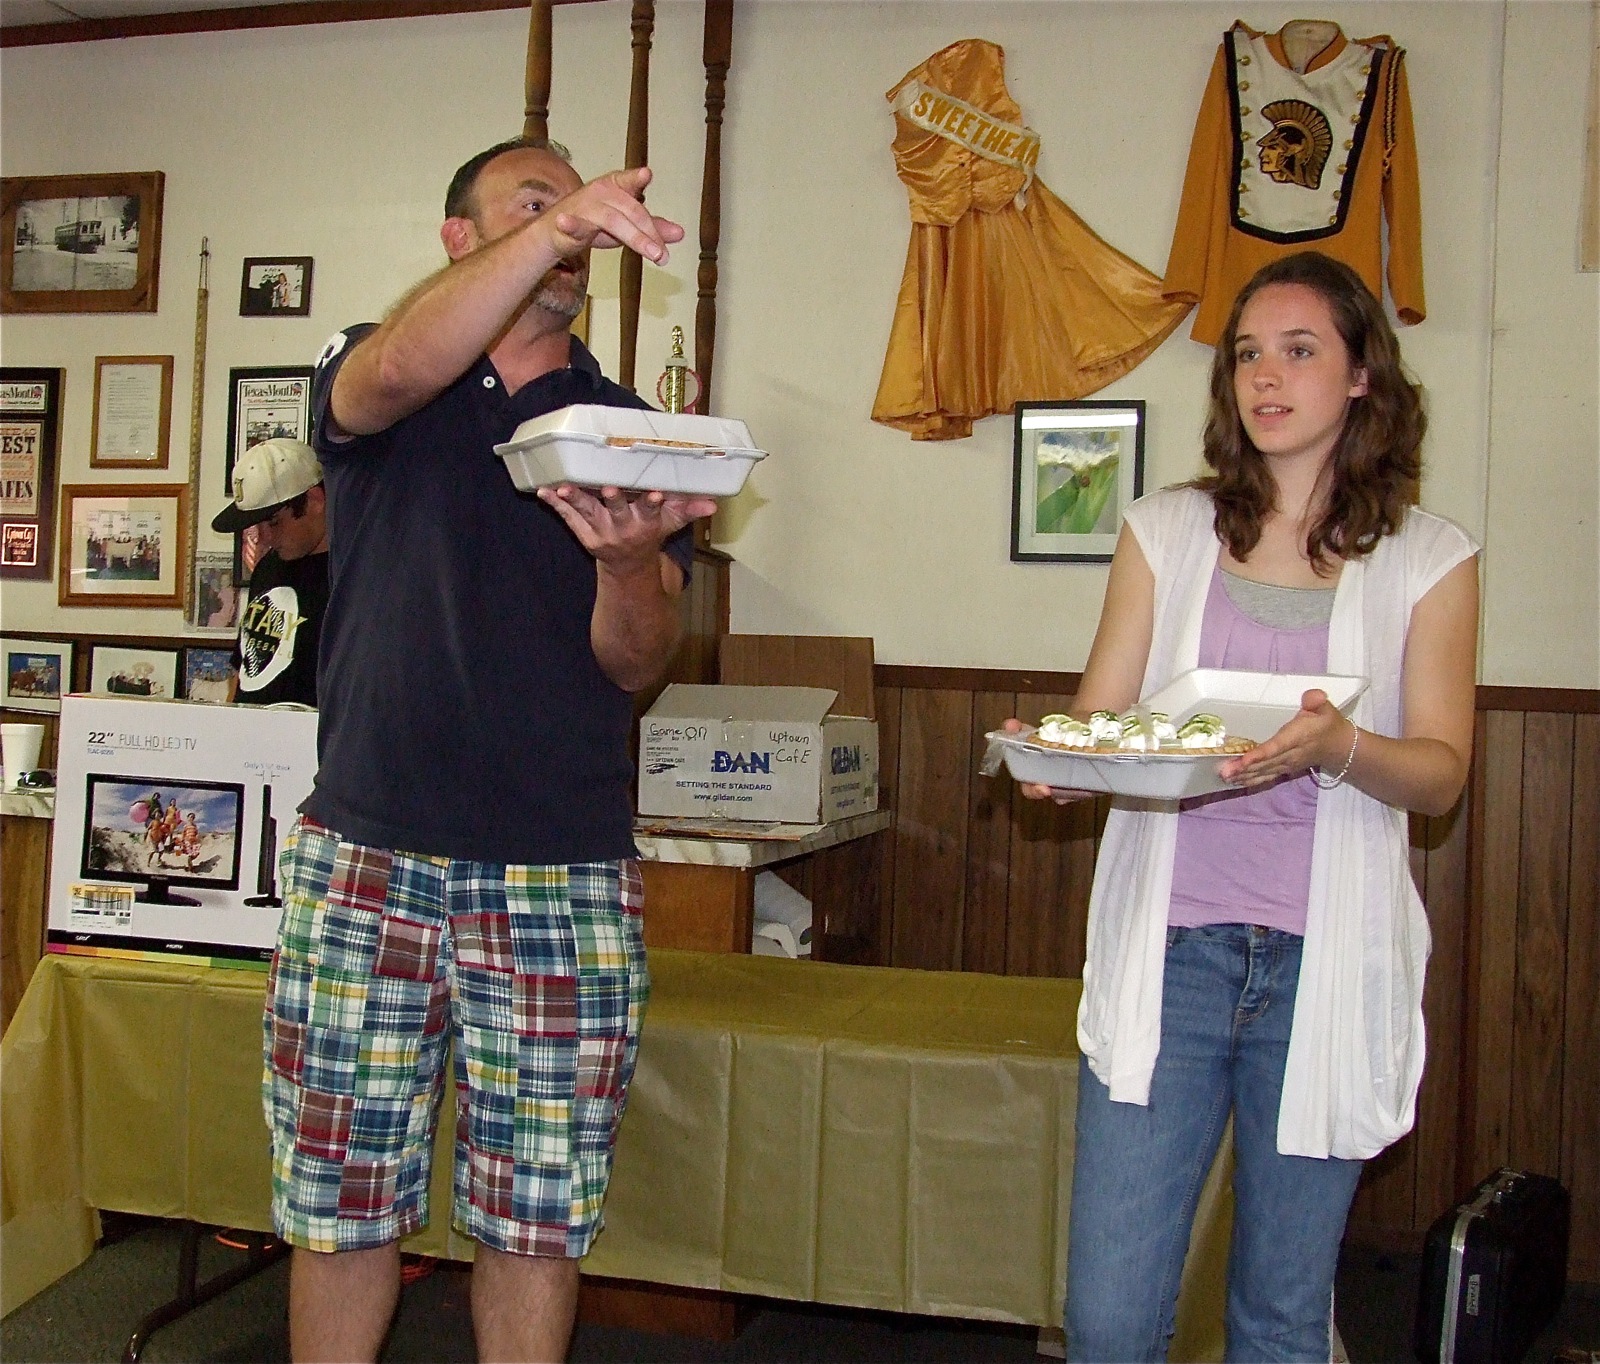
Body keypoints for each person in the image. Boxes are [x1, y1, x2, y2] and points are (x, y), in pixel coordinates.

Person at [261, 134, 708, 1364]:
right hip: (365, 855)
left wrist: (629, 562)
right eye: (535, 202)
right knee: (340, 1204)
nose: (574, 225)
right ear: (461, 238)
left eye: (581, 211)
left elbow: (637, 661)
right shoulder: (381, 370)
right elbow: (402, 363)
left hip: (560, 869)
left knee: (536, 1219)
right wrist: (559, 225)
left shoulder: (631, 429)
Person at [1011, 250, 1479, 1362]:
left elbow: (1441, 775)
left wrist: (1340, 747)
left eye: (1299, 351)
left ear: (1362, 375)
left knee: (1278, 1314)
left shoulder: (1429, 557)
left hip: (1325, 964)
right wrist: (1062, 760)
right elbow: (1103, 719)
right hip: (1170, 955)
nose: (1265, 377)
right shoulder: (1166, 530)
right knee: (1110, 1317)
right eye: (1248, 355)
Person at [211, 437, 329, 708]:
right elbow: (243, 667)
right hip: (251, 727)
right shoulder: (268, 567)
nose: (263, 538)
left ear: (314, 500)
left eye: (274, 522)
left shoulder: (353, 577)